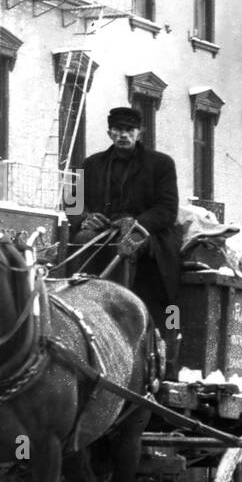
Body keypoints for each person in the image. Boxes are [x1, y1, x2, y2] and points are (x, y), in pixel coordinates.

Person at [72, 105, 183, 378]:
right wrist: (86, 217)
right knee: (79, 241)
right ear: (109, 132)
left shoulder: (162, 164)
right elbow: (72, 204)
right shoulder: (91, 164)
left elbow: (168, 208)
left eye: (129, 130)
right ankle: (74, 308)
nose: (123, 135)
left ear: (139, 132)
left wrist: (137, 223)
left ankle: (123, 316)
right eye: (118, 130)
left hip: (149, 235)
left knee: (128, 244)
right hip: (103, 231)